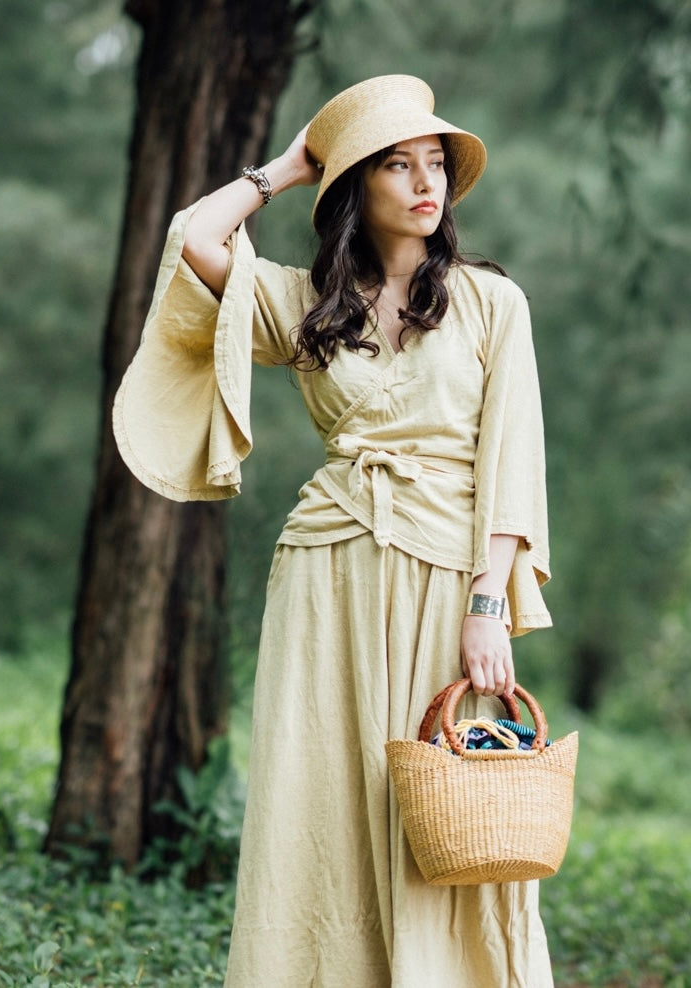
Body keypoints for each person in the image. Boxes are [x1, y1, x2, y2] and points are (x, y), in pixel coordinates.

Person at [113, 74, 554, 987]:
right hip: (327, 567)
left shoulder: (488, 303)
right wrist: (288, 167)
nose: (426, 183)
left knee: (445, 803)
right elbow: (196, 239)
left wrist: (488, 606)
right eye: (398, 163)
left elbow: (513, 465)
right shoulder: (303, 300)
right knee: (318, 795)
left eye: (436, 163)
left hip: (446, 576)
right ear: (357, 185)